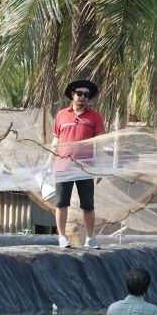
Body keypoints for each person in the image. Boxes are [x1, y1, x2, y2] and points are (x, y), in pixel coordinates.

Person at [51, 79, 106, 249]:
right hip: (63, 166)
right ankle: (62, 237)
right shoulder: (61, 115)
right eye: (80, 94)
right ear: (72, 94)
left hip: (85, 167)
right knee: (61, 203)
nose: (83, 97)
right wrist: (49, 163)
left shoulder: (95, 116)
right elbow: (55, 141)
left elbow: (100, 144)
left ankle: (90, 238)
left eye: (86, 95)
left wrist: (99, 169)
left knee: (88, 205)